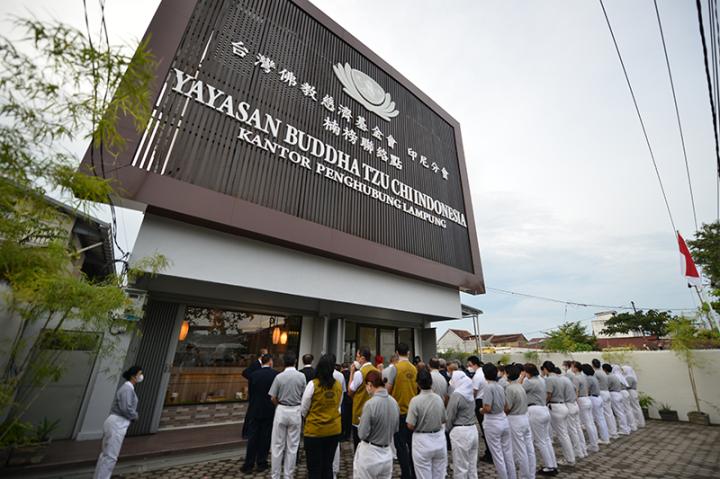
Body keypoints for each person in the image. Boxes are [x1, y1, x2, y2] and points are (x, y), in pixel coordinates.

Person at [93, 366, 142, 479]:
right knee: (111, 456)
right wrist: (135, 416)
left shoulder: (128, 388)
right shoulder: (127, 389)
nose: (141, 376)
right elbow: (126, 408)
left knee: (106, 454)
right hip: (117, 423)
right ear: (133, 376)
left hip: (115, 422)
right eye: (140, 374)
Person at [301, 354, 342, 479]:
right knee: (327, 466)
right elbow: (338, 406)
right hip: (333, 431)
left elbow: (304, 408)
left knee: (314, 468)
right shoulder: (338, 385)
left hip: (314, 431)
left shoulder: (313, 385)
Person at [353, 370, 400, 479]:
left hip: (370, 453)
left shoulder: (370, 404)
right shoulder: (394, 402)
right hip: (387, 452)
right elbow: (396, 428)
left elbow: (362, 434)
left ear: (370, 385)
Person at [269, 352, 307, 479]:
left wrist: (278, 403)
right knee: (292, 446)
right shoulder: (301, 376)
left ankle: (275, 475)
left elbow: (273, 397)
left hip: (281, 409)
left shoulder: (279, 377)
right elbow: (304, 395)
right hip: (296, 410)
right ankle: (288, 475)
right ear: (295, 361)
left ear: (284, 362)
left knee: (277, 445)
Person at [406, 368, 447, 478]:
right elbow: (444, 419)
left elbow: (410, 425)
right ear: (431, 382)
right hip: (438, 438)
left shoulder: (415, 401)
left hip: (422, 441)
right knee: (439, 474)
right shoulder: (438, 398)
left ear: (417, 384)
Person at [242, 354, 278, 473]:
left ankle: (249, 463)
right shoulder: (275, 375)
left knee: (253, 437)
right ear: (270, 362)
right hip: (269, 409)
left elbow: (251, 393)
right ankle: (262, 462)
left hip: (255, 408)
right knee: (265, 437)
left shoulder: (254, 375)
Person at [387, 342, 417, 479]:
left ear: (397, 353)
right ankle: (414, 471)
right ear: (409, 353)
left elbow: (388, 389)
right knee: (412, 445)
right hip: (412, 412)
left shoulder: (395, 368)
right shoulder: (414, 368)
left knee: (400, 446)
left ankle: (406, 474)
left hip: (398, 411)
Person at [521, 363, 558, 476]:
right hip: (543, 409)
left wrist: (521, 377)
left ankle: (549, 467)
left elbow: (518, 390)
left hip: (535, 410)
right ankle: (553, 465)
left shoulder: (529, 381)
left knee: (540, 441)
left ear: (527, 372)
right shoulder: (541, 379)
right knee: (546, 439)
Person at [481, 363, 516, 479]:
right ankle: (512, 476)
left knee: (497, 454)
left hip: (492, 421)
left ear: (485, 375)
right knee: (507, 453)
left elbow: (487, 408)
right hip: (503, 419)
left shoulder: (488, 387)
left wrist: (480, 410)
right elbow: (506, 407)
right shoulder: (500, 386)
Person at [446, 364, 478, 478]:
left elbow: (450, 416)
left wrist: (447, 430)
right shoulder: (469, 392)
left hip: (461, 432)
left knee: (460, 467)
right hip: (473, 429)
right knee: (472, 467)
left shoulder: (457, 395)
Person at [504, 364, 535, 479]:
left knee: (520, 450)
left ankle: (524, 475)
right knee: (528, 448)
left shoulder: (510, 388)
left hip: (515, 419)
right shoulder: (520, 386)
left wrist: (502, 413)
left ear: (507, 374)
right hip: (524, 417)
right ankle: (531, 474)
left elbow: (508, 407)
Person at [541, 361, 574, 467]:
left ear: (546, 369)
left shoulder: (549, 379)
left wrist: (543, 403)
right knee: (564, 434)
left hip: (555, 407)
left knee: (562, 435)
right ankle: (570, 457)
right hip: (563, 405)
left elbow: (549, 394)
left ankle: (569, 459)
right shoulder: (560, 378)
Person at [349, 347, 378, 450]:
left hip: (360, 412)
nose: (356, 359)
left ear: (362, 358)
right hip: (375, 411)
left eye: (357, 356)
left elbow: (350, 391)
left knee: (359, 445)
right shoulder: (377, 371)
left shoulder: (359, 373)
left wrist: (352, 372)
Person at [468, 355, 493, 464]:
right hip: (487, 400)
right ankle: (491, 452)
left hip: (480, 402)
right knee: (487, 429)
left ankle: (490, 453)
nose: (469, 367)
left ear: (474, 364)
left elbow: (474, 392)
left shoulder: (477, 376)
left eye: (469, 365)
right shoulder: (484, 372)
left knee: (485, 429)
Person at [559, 366, 587, 459]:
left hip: (569, 406)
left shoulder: (563, 383)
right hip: (574, 404)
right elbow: (577, 392)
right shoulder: (571, 384)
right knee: (577, 428)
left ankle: (577, 451)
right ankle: (583, 450)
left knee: (572, 430)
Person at [571, 361, 599, 453]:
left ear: (575, 368)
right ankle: (594, 443)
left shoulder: (576, 378)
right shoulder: (584, 377)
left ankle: (593, 445)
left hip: (581, 400)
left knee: (587, 423)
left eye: (572, 367)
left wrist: (574, 401)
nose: (571, 368)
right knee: (590, 422)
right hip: (587, 399)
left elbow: (576, 391)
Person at [242, 348, 268, 439]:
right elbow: (245, 373)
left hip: (258, 391)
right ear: (262, 355)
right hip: (254, 391)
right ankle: (246, 432)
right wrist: (253, 379)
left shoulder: (262, 365)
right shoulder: (255, 364)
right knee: (251, 412)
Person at [581, 363, 610, 445]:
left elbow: (587, 390)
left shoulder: (589, 379)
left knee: (597, 420)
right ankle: (605, 437)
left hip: (593, 398)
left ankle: (602, 439)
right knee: (601, 419)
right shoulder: (593, 378)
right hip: (598, 398)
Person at [592, 359, 618, 439]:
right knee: (609, 413)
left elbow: (594, 384)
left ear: (593, 365)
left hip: (602, 393)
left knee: (605, 415)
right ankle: (613, 431)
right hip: (607, 392)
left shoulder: (596, 373)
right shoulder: (603, 372)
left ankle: (610, 433)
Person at [603, 363, 630, 436]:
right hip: (619, 394)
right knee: (621, 412)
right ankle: (625, 428)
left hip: (614, 394)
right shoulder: (615, 376)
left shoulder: (609, 377)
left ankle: (623, 429)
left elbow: (606, 386)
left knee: (618, 413)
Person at [613, 364, 637, 432]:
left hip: (621, 393)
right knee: (628, 409)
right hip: (625, 393)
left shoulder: (615, 376)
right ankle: (632, 425)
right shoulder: (621, 376)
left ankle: (625, 427)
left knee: (622, 411)